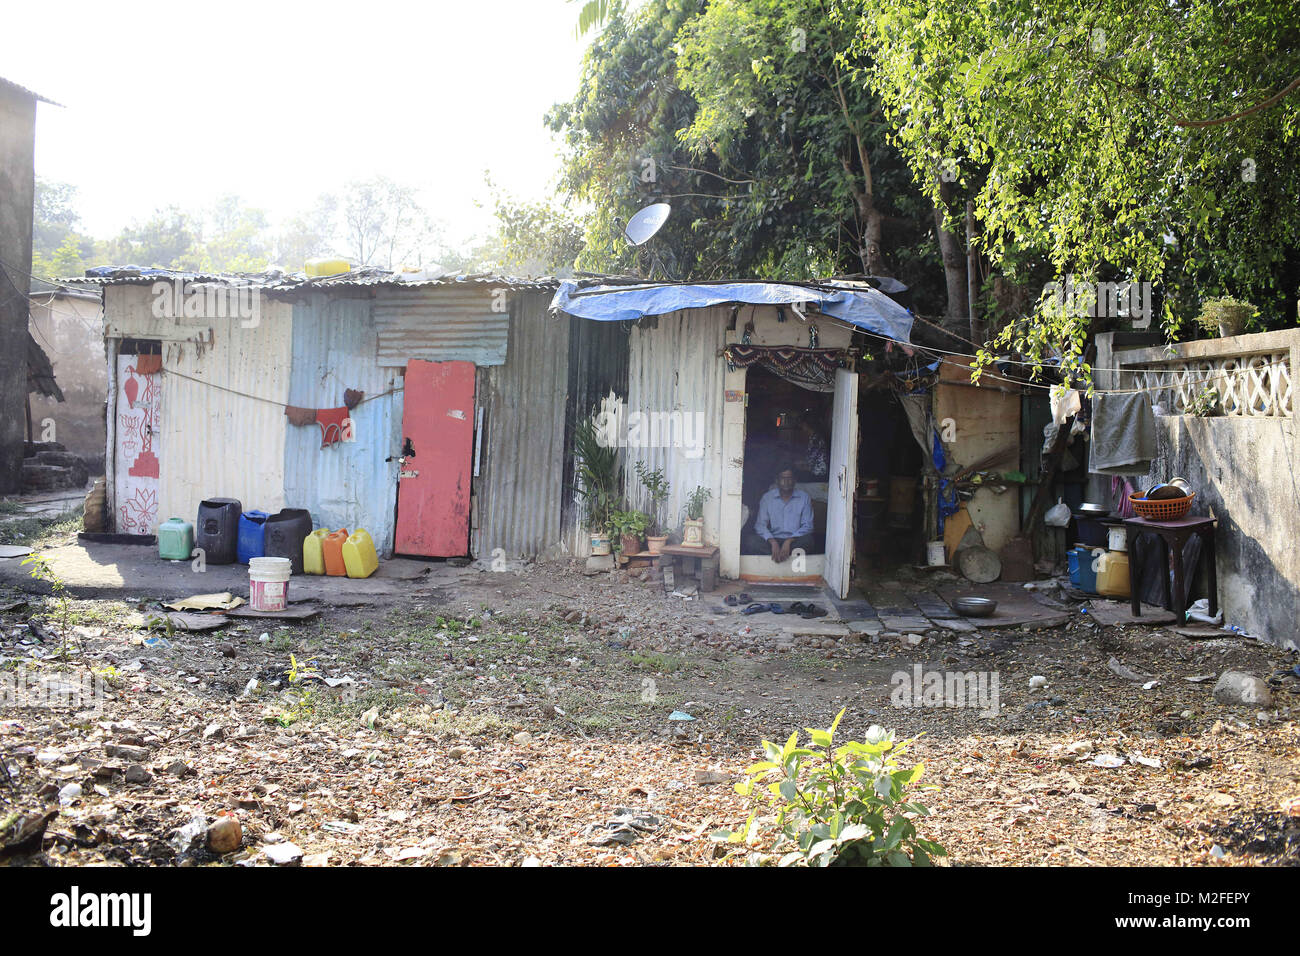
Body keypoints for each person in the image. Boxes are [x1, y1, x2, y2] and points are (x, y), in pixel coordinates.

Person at [743, 464, 814, 562]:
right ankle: (780, 555)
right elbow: (760, 525)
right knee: (751, 541)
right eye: (783, 478)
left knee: (808, 541)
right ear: (777, 481)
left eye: (789, 478)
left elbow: (808, 525)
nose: (786, 481)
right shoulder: (767, 498)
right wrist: (772, 542)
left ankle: (779, 557)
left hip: (795, 540)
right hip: (773, 540)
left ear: (794, 480)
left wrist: (789, 541)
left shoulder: (804, 497)